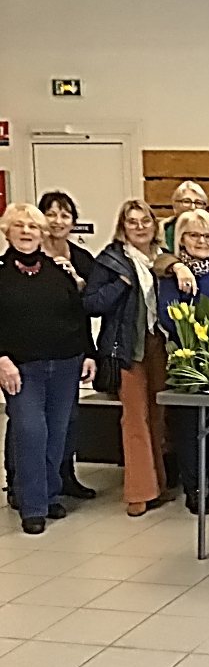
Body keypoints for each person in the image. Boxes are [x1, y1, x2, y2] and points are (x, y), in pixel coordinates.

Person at [0, 205, 95, 534]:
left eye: (33, 227)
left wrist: (88, 354)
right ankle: (33, 506)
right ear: (7, 231)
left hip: (66, 363)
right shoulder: (1, 273)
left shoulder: (60, 272)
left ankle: (50, 494)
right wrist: (1, 359)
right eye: (19, 226)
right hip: (21, 368)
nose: (26, 232)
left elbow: (78, 315)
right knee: (31, 433)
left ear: (42, 233)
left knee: (58, 434)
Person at [83, 200, 172, 518]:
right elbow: (91, 303)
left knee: (158, 416)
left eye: (145, 220)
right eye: (132, 222)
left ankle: (158, 484)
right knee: (134, 418)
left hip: (158, 345)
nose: (139, 227)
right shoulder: (111, 260)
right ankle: (139, 491)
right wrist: (120, 285)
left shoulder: (163, 258)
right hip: (126, 348)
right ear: (123, 227)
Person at [157, 210, 209, 514]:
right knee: (190, 428)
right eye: (194, 235)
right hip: (188, 360)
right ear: (182, 239)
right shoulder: (173, 276)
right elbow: (168, 315)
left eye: (208, 236)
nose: (202, 241)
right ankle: (195, 489)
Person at [159, 180, 209, 252]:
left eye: (198, 203)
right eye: (186, 201)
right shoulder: (161, 230)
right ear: (175, 205)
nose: (192, 207)